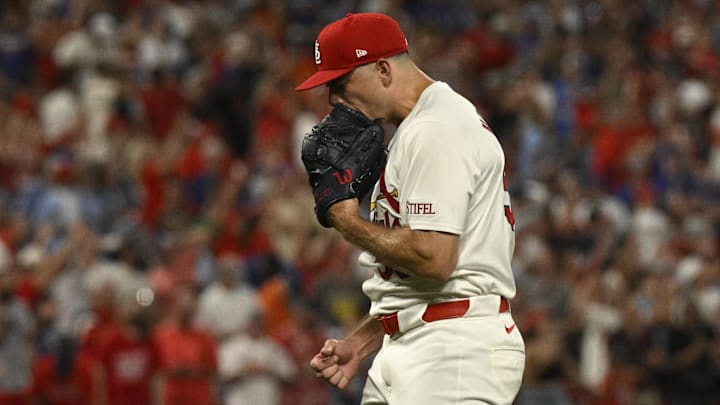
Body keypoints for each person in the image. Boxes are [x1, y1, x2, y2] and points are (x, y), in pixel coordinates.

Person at [295, 13, 525, 404]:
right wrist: (362, 342)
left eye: (340, 82)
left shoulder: (436, 129)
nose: (334, 99)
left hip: (454, 352)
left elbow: (433, 258)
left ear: (383, 69)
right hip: (425, 342)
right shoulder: (419, 126)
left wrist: (346, 221)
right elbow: (427, 285)